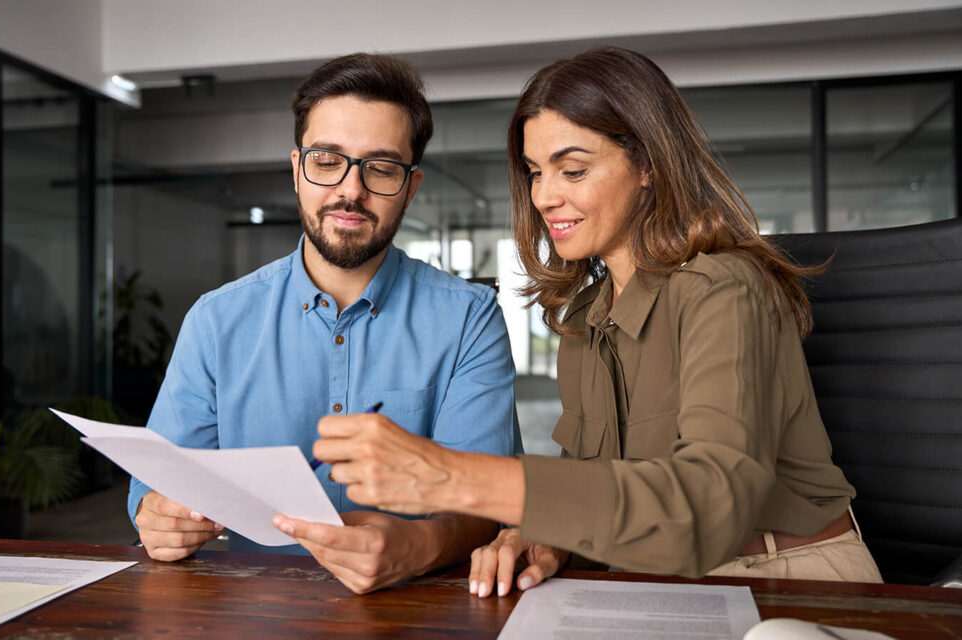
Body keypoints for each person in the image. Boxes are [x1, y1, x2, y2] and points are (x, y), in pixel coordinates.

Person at [311, 47, 883, 597]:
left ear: (648, 166)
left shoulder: (726, 288)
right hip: (658, 581)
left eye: (573, 169)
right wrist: (549, 538)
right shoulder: (585, 320)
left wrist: (453, 477)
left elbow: (709, 508)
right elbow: (608, 500)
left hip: (788, 577)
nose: (545, 196)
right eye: (535, 172)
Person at [128, 53, 521, 594]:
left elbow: (488, 502)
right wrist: (156, 515)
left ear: (411, 186)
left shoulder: (468, 319)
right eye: (328, 159)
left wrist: (417, 546)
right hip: (255, 613)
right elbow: (155, 484)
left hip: (421, 612)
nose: (351, 190)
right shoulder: (216, 321)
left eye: (381, 168)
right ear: (297, 169)